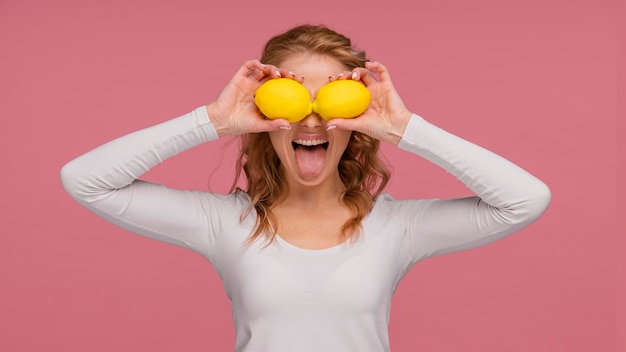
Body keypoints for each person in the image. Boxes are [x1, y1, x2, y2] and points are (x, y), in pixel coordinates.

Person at [60, 24, 551, 352]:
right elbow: (86, 181)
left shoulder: (398, 227)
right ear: (266, 117)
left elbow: (524, 200)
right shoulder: (224, 223)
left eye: (330, 102)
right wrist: (212, 121)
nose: (313, 119)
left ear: (356, 120)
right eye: (295, 103)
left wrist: (404, 127)